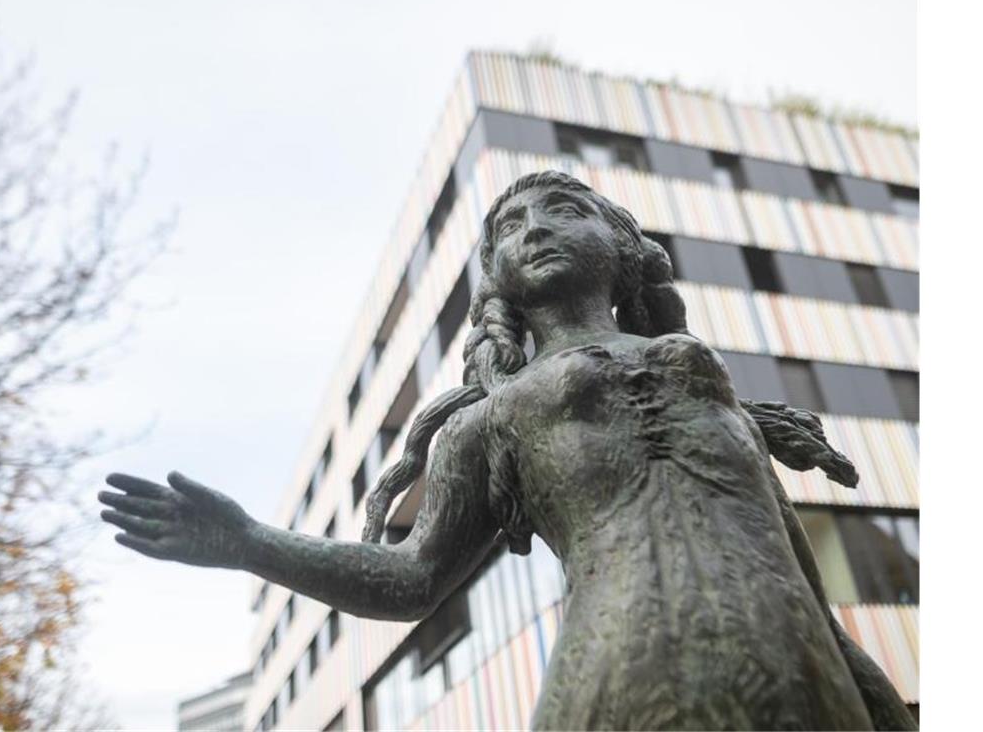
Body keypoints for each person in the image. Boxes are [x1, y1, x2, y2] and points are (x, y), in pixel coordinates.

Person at [99, 171, 915, 730]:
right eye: (511, 228)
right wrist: (248, 544)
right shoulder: (489, 422)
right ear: (496, 278)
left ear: (621, 246)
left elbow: (793, 564)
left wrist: (875, 696)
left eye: (563, 210)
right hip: (620, 681)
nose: (535, 231)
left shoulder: (702, 374)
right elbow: (413, 577)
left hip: (802, 676)